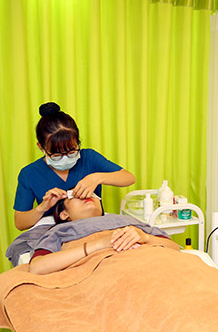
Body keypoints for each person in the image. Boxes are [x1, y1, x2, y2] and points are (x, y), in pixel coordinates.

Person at [14, 102, 135, 231]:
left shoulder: (88, 158)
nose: (65, 157)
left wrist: (97, 178)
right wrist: (42, 207)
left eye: (71, 151)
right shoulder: (30, 174)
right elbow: (20, 223)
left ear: (77, 142)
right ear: (41, 147)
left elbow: (129, 178)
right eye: (56, 155)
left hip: (98, 227)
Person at [28, 196, 177, 275]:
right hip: (107, 272)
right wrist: (99, 244)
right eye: (75, 195)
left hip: (154, 265)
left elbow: (175, 248)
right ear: (64, 214)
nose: (86, 195)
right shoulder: (60, 230)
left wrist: (147, 238)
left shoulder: (128, 221)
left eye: (91, 193)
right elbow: (37, 267)